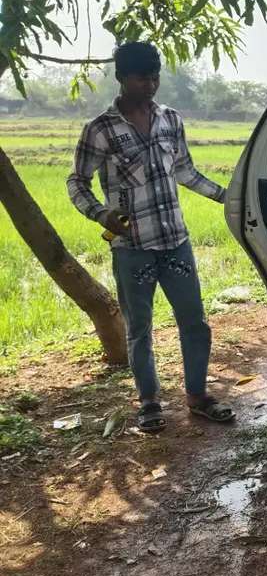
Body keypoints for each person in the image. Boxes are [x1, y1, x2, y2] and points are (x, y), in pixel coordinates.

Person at [67, 42, 235, 432]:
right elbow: (77, 182)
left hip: (175, 241)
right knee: (139, 330)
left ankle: (198, 396)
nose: (152, 83)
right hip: (133, 250)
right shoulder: (101, 130)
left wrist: (228, 199)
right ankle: (149, 402)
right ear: (123, 78)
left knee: (195, 322)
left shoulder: (170, 120)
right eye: (143, 77)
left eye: (156, 75)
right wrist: (100, 212)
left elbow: (185, 172)